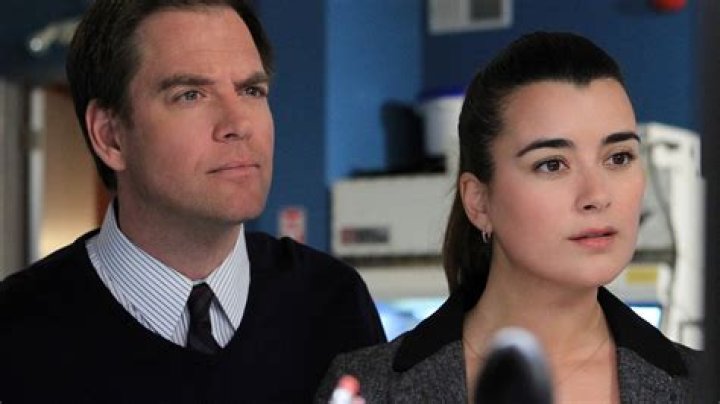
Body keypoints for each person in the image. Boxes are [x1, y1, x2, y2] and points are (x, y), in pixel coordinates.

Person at [0, 1, 385, 402]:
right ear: (110, 136)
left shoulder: (333, 301)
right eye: (190, 95)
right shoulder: (16, 331)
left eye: (251, 90)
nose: (238, 124)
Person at [315, 31, 701, 403]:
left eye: (618, 158)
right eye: (552, 164)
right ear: (479, 202)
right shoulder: (369, 388)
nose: (596, 195)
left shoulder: (704, 386)